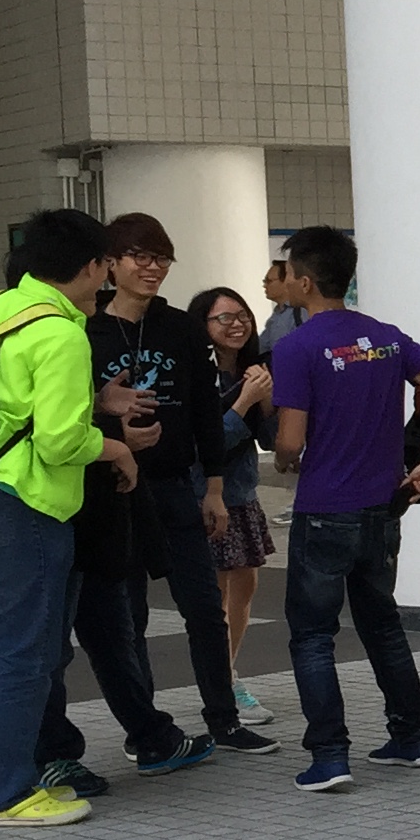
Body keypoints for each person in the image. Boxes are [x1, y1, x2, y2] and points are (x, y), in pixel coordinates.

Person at [0, 210, 120, 827]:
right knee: (26, 653)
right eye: (107, 268)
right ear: (94, 265)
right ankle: (9, 793)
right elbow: (62, 441)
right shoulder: (63, 335)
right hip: (28, 507)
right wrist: (115, 446)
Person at [268, 224, 420, 792]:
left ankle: (329, 755)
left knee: (311, 634)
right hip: (382, 509)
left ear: (304, 281)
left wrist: (283, 457)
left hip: (325, 509)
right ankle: (410, 737)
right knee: (382, 624)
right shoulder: (385, 337)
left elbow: (288, 442)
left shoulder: (296, 347)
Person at [94, 216, 273, 758]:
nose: (152, 268)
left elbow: (201, 413)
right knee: (129, 614)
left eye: (162, 258)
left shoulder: (181, 328)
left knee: (203, 606)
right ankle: (146, 729)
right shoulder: (86, 330)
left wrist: (214, 489)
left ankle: (223, 719)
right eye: (139, 257)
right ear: (111, 263)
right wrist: (113, 432)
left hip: (178, 485)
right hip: (113, 488)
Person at [187, 285, 277, 727]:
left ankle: (228, 671)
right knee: (216, 596)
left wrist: (264, 400)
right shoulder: (193, 376)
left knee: (244, 591)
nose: (237, 323)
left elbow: (274, 441)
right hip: (206, 496)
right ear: (202, 325)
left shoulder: (253, 370)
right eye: (224, 317)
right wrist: (243, 402)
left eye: (242, 315)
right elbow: (208, 445)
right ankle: (222, 685)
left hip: (242, 495)